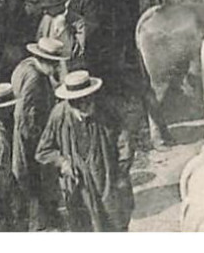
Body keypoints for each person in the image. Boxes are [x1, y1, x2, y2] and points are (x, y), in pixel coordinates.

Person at [34, 69, 133, 231]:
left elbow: (125, 141)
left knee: (115, 226)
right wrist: (62, 162)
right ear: (71, 102)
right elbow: (43, 151)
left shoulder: (106, 109)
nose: (86, 105)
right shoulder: (59, 115)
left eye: (89, 100)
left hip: (107, 182)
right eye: (80, 102)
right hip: (78, 188)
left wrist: (121, 172)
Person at [11, 37, 67, 230]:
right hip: (31, 137)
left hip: (28, 133)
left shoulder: (25, 65)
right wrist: (37, 137)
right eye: (55, 64)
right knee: (35, 178)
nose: (56, 69)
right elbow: (24, 112)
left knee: (34, 179)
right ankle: (40, 223)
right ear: (47, 61)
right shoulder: (35, 78)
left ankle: (46, 217)